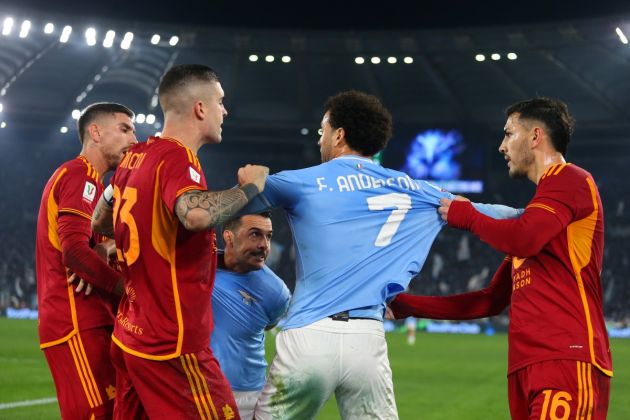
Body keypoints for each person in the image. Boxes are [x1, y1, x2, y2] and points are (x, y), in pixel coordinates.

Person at [242, 90, 520, 420]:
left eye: (322, 131)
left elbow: (235, 205)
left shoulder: (302, 181)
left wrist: (249, 181)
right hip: (366, 339)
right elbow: (498, 214)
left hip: (309, 335)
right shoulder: (417, 189)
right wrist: (546, 212)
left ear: (339, 134)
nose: (320, 140)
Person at [390, 97, 612, 420]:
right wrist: (406, 304)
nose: (501, 147)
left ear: (535, 136)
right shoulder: (538, 220)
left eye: (508, 134)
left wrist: (464, 215)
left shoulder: (572, 180)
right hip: (525, 368)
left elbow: (522, 237)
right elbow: (487, 302)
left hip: (566, 359)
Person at [91, 64, 267, 420]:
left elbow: (99, 219)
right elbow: (195, 215)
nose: (224, 111)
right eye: (220, 101)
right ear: (200, 108)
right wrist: (249, 186)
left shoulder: (137, 156)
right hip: (170, 346)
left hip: (130, 336)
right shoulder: (177, 158)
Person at [35, 102, 137, 419]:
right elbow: (74, 252)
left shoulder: (95, 184)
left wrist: (104, 249)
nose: (134, 139)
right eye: (124, 129)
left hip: (91, 317)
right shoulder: (80, 175)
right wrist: (130, 290)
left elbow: (88, 250)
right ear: (95, 132)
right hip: (75, 319)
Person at [211, 212, 291, 419]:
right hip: (196, 386)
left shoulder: (276, 293)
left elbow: (266, 326)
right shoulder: (198, 268)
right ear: (229, 237)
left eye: (268, 236)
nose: (264, 245)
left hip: (246, 396)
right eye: (255, 234)